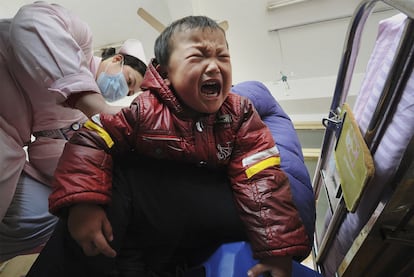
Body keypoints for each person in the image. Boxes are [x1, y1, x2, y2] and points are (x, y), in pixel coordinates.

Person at [27, 15, 311, 277]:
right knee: (115, 180)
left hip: (233, 208)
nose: (214, 65)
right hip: (165, 227)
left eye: (223, 56)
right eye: (197, 57)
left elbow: (262, 178)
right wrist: (83, 203)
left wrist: (277, 251)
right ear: (165, 73)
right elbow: (93, 137)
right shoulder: (146, 111)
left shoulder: (239, 114)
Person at [0, 1, 147, 262]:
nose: (123, 92)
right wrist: (94, 105)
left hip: (8, 140)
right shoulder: (79, 44)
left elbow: (45, 154)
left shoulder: (77, 117)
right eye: (128, 81)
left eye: (130, 92)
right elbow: (31, 20)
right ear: (116, 59)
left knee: (51, 211)